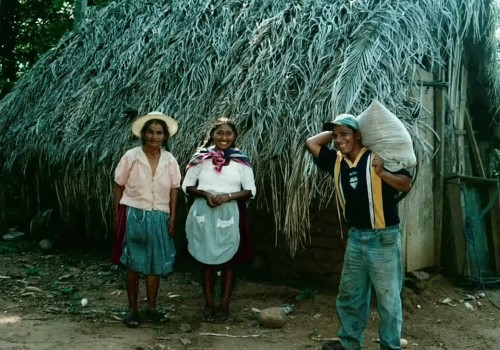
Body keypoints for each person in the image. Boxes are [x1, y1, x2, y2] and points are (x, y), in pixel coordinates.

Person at [305, 114, 412, 350]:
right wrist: (339, 131)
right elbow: (312, 142)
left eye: (345, 134)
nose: (338, 140)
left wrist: (382, 173)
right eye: (335, 136)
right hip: (356, 238)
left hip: (383, 238)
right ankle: (350, 343)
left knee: (388, 300)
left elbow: (406, 183)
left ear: (358, 136)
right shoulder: (336, 161)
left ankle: (390, 346)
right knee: (350, 296)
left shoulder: (377, 157)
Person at [182, 117, 256, 324]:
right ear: (212, 135)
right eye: (220, 133)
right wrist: (205, 194)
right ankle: (208, 304)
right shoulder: (200, 158)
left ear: (234, 136)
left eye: (228, 134)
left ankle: (224, 305)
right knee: (206, 261)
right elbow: (186, 186)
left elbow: (251, 190)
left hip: (230, 212)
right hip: (204, 212)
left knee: (229, 261)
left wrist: (229, 196)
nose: (224, 137)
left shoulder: (241, 161)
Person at [113, 111, 181, 328]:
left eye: (159, 132)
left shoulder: (169, 159)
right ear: (143, 134)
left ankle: (151, 308)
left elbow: (174, 190)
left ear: (165, 136)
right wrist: (118, 214)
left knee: (155, 265)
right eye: (150, 132)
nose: (155, 136)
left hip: (160, 215)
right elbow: (119, 185)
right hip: (136, 214)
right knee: (133, 264)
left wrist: (172, 217)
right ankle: (132, 310)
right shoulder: (131, 156)